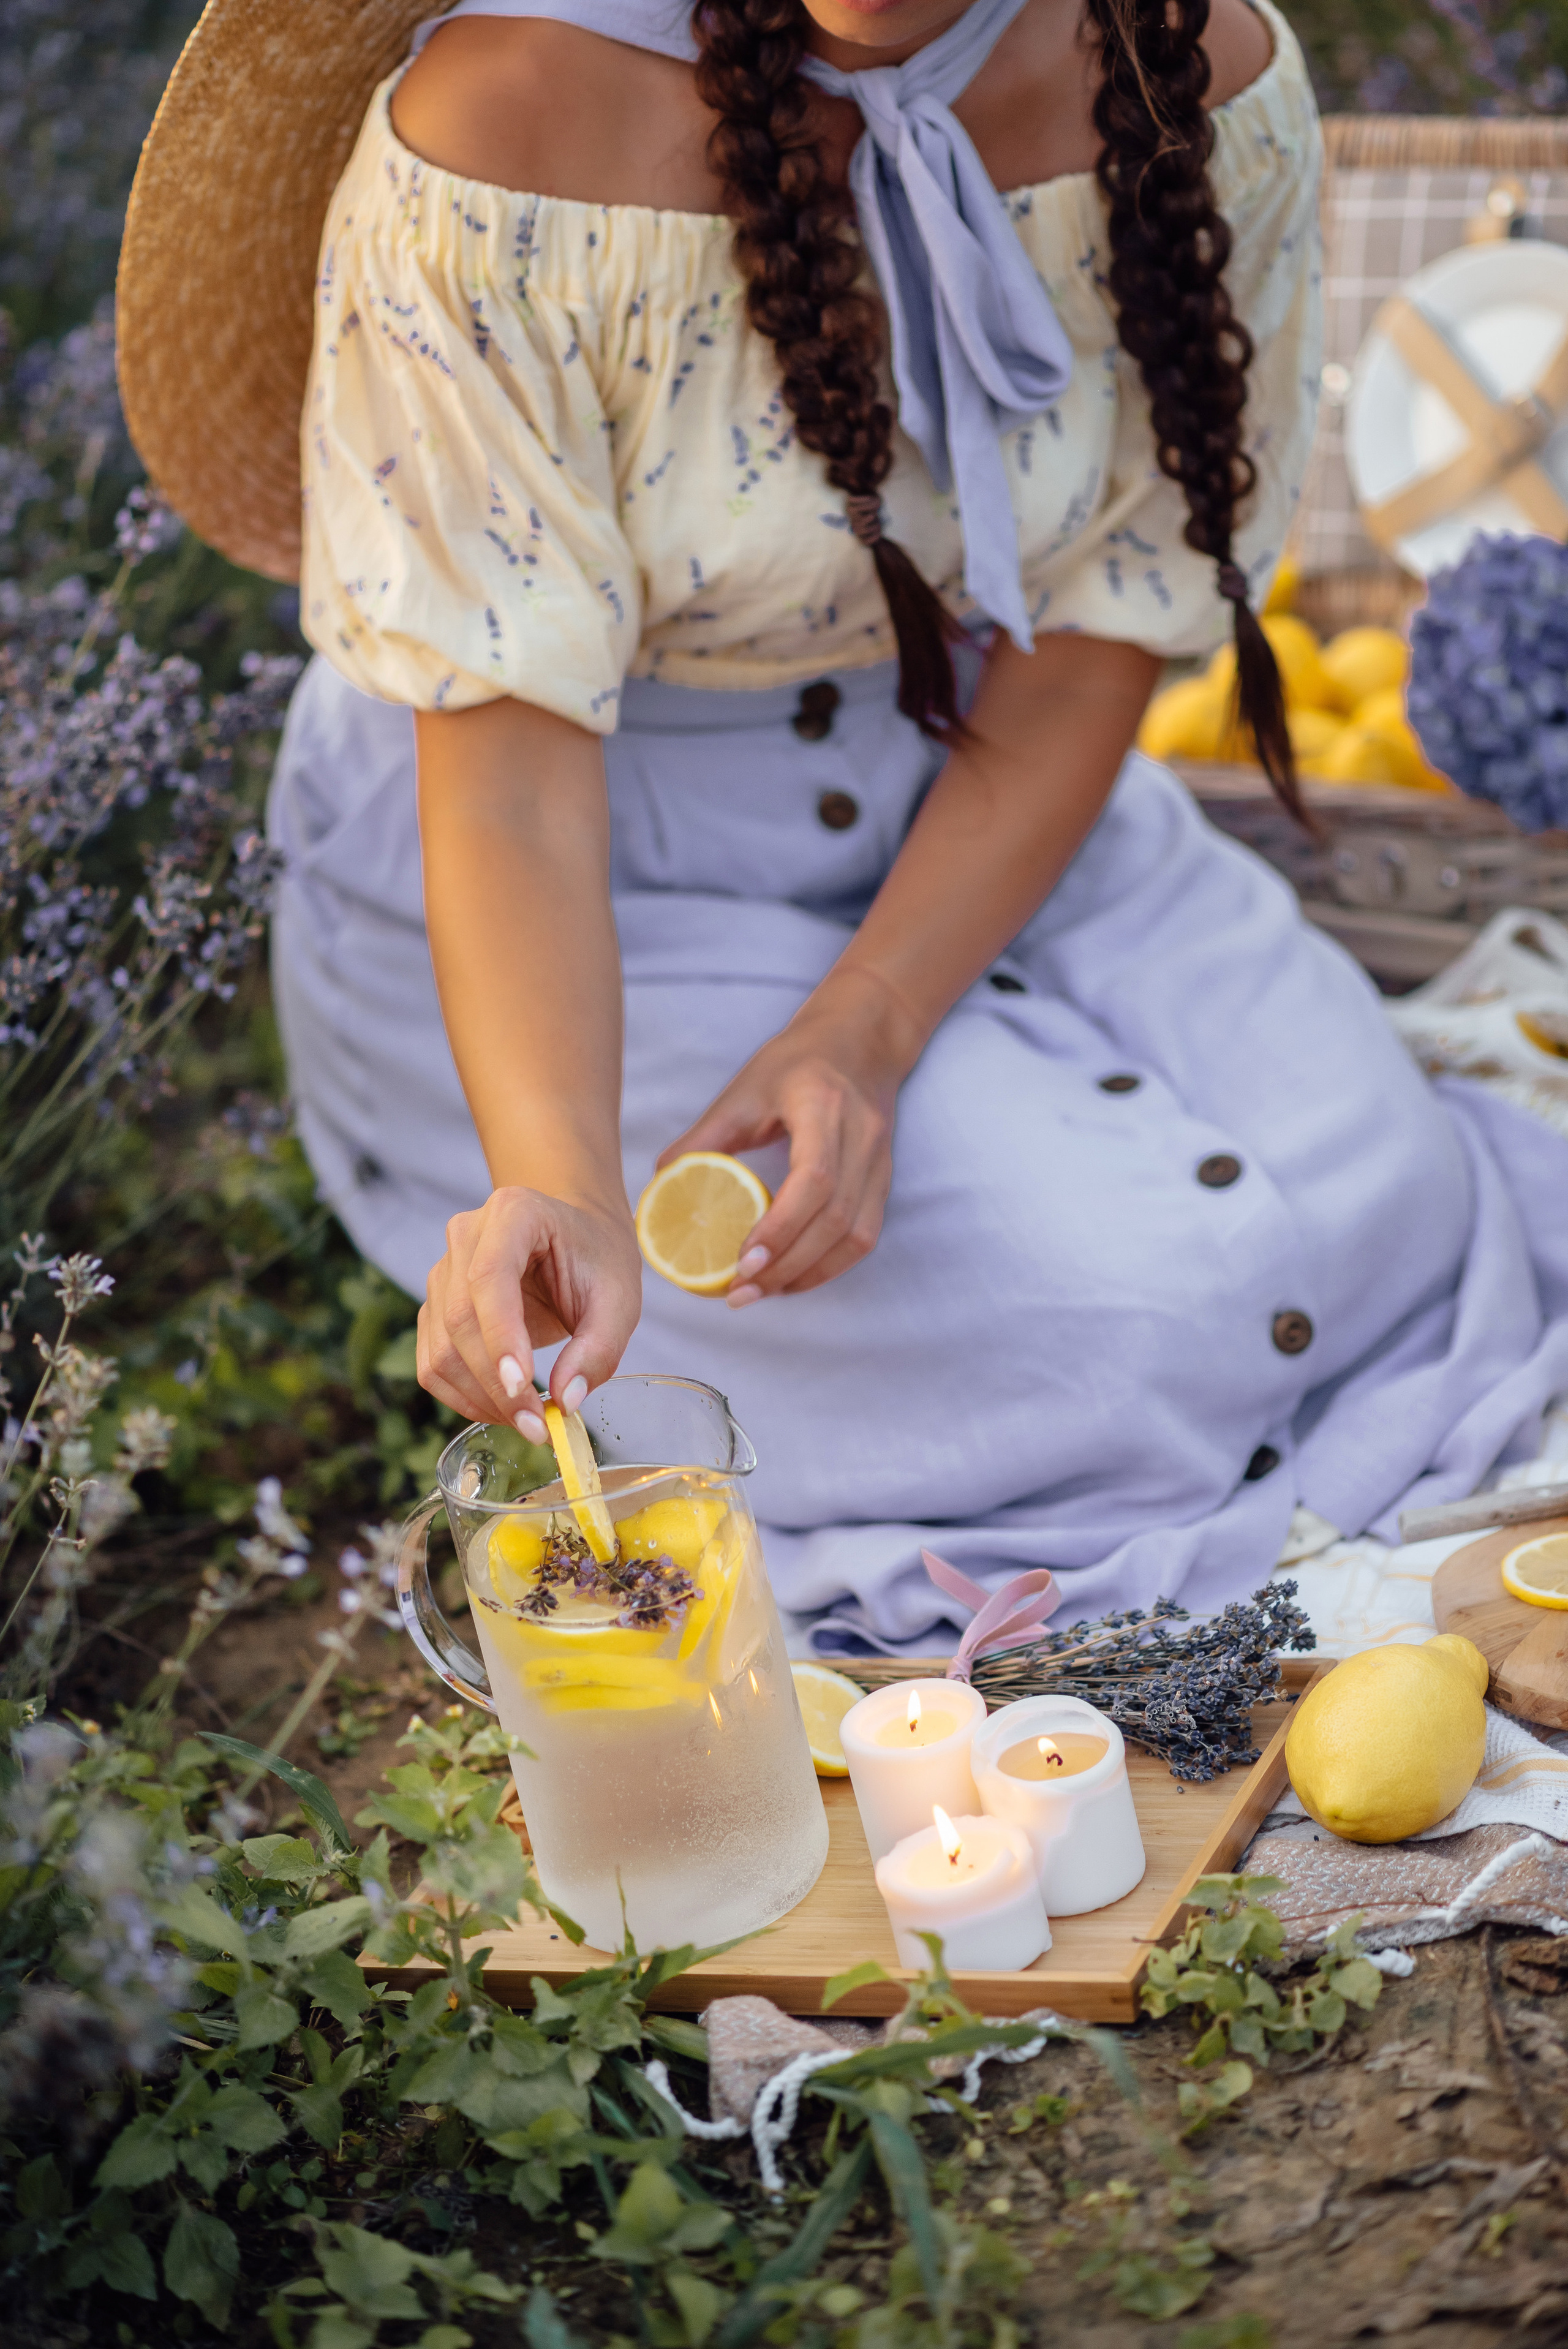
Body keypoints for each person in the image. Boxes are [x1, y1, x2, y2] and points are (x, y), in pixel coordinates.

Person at [244, 0, 1568, 1653]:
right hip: (574, 868)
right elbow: (509, 783)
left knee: (1381, 1209)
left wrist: (870, 1023)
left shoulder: (1198, 77)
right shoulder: (503, 125)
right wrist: (564, 1182)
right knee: (1137, 1333)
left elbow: (1095, 629)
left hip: (975, 757)